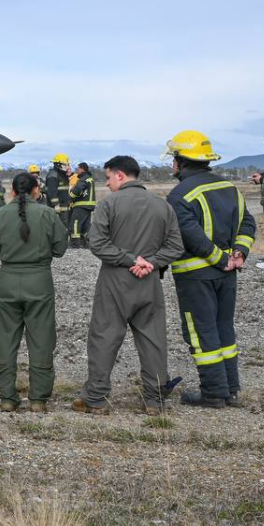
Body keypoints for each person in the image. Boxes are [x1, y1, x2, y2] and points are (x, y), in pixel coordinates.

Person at [73, 156, 185, 416]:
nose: (108, 183)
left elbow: (97, 244)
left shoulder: (109, 203)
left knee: (104, 337)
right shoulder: (162, 205)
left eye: (109, 177)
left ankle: (96, 398)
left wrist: (131, 259)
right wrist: (151, 263)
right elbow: (176, 246)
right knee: (153, 340)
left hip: (115, 281)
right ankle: (155, 400)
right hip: (149, 283)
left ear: (120, 175)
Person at [162, 130, 256, 409]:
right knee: (224, 328)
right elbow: (248, 224)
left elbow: (190, 234)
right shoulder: (229, 188)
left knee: (201, 332)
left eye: (174, 159)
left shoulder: (179, 195)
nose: (172, 165)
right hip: (227, 276)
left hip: (196, 276)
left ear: (181, 160)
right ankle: (231, 390)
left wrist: (219, 258)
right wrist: (239, 252)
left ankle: (213, 393)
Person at [0, 172, 68, 412]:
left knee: (6, 338)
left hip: (8, 281)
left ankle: (8, 397)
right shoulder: (48, 214)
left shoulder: (0, 214)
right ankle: (38, 399)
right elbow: (61, 248)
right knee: (41, 339)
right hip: (39, 281)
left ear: (11, 191)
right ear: (36, 191)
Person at [68, 162, 97, 248]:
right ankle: (85, 243)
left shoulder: (83, 179)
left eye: (78, 169)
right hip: (89, 206)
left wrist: (71, 195)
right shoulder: (90, 179)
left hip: (81, 205)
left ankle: (75, 244)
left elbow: (77, 190)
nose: (76, 171)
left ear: (82, 169)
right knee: (85, 225)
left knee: (75, 224)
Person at [43, 154, 72, 225]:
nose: (67, 166)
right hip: (57, 209)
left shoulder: (62, 174)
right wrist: (56, 205)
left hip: (64, 207)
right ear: (58, 164)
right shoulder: (53, 175)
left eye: (68, 164)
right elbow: (52, 191)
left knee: (65, 228)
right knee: (60, 228)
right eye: (65, 165)